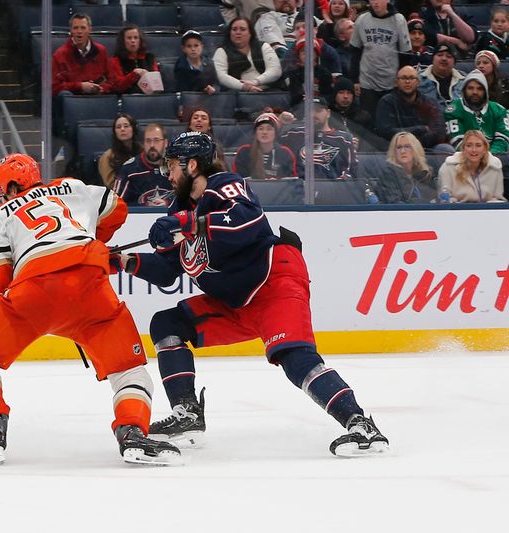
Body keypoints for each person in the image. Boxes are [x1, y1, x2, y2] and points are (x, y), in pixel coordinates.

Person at [110, 131, 389, 457]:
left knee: (294, 357)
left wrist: (190, 223)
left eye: (173, 166)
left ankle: (361, 426)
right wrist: (123, 262)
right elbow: (168, 269)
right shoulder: (182, 207)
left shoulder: (224, 185)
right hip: (235, 301)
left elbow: (248, 221)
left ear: (193, 166)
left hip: (273, 283)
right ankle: (187, 414)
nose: (168, 175)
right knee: (166, 324)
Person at [0, 153, 181, 466]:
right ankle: (133, 433)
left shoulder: (1, 214)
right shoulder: (72, 187)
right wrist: (89, 239)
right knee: (128, 368)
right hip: (92, 286)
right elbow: (116, 208)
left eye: (1, 192)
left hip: (36, 291)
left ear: (14, 187)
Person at [349, 0, 412, 111]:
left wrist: (401, 81)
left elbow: (405, 54)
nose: (376, 3)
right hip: (367, 81)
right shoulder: (362, 19)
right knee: (367, 119)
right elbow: (355, 51)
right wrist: (355, 80)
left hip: (391, 82)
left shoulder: (398, 20)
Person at [375, 65, 452, 152]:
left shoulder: (430, 103)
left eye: (412, 78)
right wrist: (421, 128)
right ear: (396, 82)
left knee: (446, 149)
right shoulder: (386, 102)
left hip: (425, 147)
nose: (407, 81)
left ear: (418, 82)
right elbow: (385, 132)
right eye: (403, 78)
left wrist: (415, 144)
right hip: (397, 148)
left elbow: (439, 131)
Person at [281, 97, 358, 180]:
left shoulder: (343, 138)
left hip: (332, 189)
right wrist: (279, 124)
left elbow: (351, 170)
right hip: (299, 189)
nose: (313, 114)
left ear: (328, 113)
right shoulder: (293, 134)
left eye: (318, 110)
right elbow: (270, 146)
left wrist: (336, 186)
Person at [444, 69, 509, 154]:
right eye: (470, 88)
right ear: (464, 90)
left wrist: (489, 156)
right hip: (464, 158)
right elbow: (457, 141)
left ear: (485, 91)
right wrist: (475, 156)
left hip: (494, 158)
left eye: (479, 89)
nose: (475, 92)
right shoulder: (453, 110)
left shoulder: (499, 110)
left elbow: (503, 139)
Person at [213, 16, 281, 93]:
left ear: (250, 33)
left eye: (243, 29)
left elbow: (275, 70)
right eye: (234, 29)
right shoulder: (221, 51)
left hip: (269, 91)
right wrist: (245, 87)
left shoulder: (264, 46)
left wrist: (256, 82)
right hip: (237, 93)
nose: (238, 32)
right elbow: (221, 76)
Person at [52, 13, 112, 97]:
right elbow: (55, 87)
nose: (79, 31)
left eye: (83, 28)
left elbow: (111, 80)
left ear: (90, 29)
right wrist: (80, 86)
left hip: (98, 97)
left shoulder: (101, 51)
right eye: (75, 28)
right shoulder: (60, 54)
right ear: (71, 30)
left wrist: (102, 88)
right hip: (73, 98)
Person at [438, 129, 506, 202]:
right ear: (463, 148)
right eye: (469, 145)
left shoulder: (495, 167)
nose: (473, 150)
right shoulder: (448, 167)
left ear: (485, 149)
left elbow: (498, 198)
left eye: (478, 145)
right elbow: (445, 199)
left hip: (487, 211)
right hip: (457, 210)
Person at [113, 123, 172, 206]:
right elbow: (116, 204)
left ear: (165, 143)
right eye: (148, 141)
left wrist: (168, 203)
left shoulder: (176, 167)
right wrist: (145, 207)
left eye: (156, 140)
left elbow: (187, 198)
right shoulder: (129, 169)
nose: (152, 145)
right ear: (143, 143)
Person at [376, 131, 438, 203]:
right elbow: (395, 203)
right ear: (394, 152)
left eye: (407, 147)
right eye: (399, 147)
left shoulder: (425, 174)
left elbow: (433, 201)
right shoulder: (388, 175)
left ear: (415, 149)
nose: (403, 151)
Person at [232, 112, 297, 179]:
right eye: (260, 129)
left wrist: (277, 182)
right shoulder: (244, 151)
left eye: (269, 129)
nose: (264, 132)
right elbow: (238, 180)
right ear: (255, 133)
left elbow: (291, 181)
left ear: (276, 133)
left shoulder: (285, 153)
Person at [108, 25, 158, 95]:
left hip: (150, 97)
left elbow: (156, 83)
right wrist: (134, 74)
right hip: (128, 98)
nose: (133, 41)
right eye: (129, 38)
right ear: (123, 41)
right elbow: (118, 86)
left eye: (136, 38)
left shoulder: (150, 57)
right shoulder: (115, 60)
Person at [285, 36, 335, 106]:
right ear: (298, 55)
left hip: (320, 108)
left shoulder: (324, 73)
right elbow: (295, 96)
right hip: (300, 108)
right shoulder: (294, 74)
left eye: (310, 50)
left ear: (316, 54)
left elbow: (328, 96)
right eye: (303, 51)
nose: (306, 54)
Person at [98, 113, 140, 190]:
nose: (122, 129)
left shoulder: (143, 151)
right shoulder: (107, 157)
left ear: (133, 129)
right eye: (118, 127)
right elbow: (112, 186)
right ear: (115, 132)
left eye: (126, 126)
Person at [418, 44, 466, 110]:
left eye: (449, 56)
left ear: (454, 62)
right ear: (432, 59)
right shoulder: (417, 79)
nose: (444, 59)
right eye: (439, 55)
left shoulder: (466, 80)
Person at [174, 30, 219, 94]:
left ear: (202, 47)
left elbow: (217, 84)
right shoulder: (180, 67)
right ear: (183, 49)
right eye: (189, 46)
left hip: (210, 99)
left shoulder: (209, 63)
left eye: (196, 45)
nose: (193, 49)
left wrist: (213, 89)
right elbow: (183, 91)